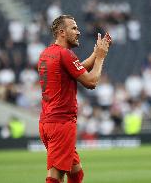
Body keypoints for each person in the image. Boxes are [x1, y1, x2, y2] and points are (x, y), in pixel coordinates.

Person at [38, 15, 111, 183]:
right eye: (74, 28)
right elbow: (91, 81)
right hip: (61, 124)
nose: (78, 32)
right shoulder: (65, 54)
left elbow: (77, 69)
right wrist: (100, 57)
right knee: (55, 176)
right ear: (62, 32)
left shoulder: (47, 53)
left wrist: (95, 53)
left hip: (47, 122)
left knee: (76, 173)